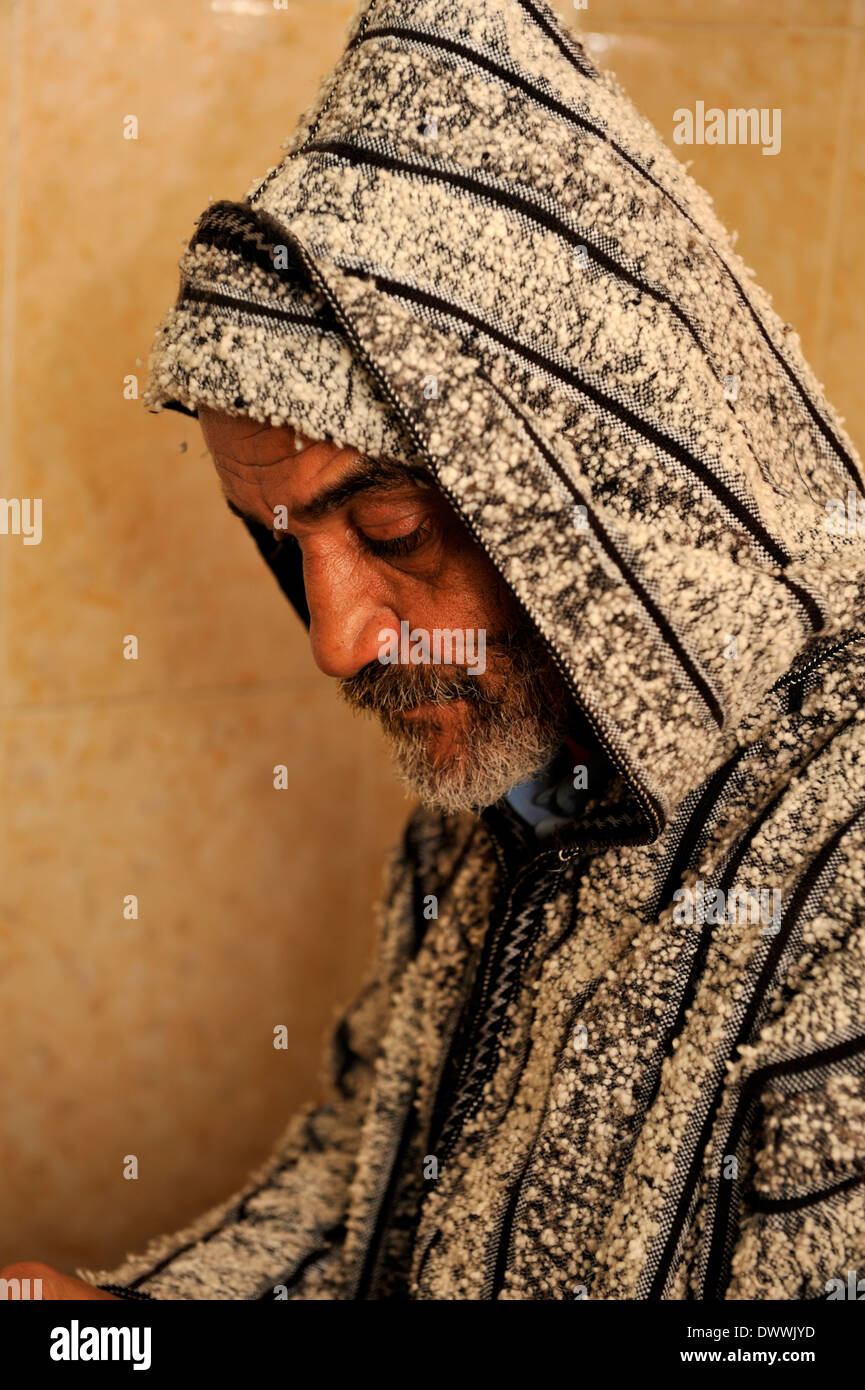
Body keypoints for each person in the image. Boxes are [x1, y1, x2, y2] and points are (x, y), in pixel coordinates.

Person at [5, 0, 865, 1301]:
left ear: (591, 486)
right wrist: (107, 1329)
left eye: (395, 530)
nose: (333, 638)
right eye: (288, 547)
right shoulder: (498, 785)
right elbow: (359, 1169)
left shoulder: (837, 894)